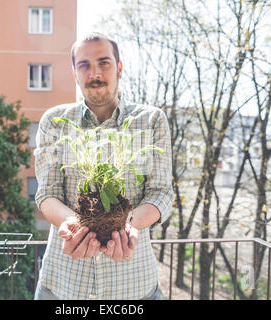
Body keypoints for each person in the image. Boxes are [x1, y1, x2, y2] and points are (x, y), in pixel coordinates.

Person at [33, 32, 175, 300]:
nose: (94, 73)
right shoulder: (55, 121)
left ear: (119, 67)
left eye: (104, 63)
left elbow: (161, 193)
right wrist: (75, 224)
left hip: (133, 286)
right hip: (64, 284)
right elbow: (47, 194)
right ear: (75, 72)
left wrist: (126, 225)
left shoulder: (151, 120)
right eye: (84, 65)